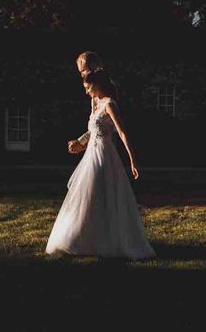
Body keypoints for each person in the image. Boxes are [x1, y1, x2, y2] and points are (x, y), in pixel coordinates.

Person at [45, 69, 155, 260]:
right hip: (90, 155)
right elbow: (92, 131)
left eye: (88, 87)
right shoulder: (95, 103)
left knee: (102, 194)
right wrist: (79, 143)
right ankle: (85, 238)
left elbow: (121, 133)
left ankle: (108, 240)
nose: (86, 91)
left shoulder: (110, 104)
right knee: (87, 196)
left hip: (105, 156)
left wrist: (132, 160)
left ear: (96, 85)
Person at [67, 51, 119, 154]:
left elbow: (106, 126)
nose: (82, 75)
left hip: (107, 146)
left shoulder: (106, 90)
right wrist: (82, 143)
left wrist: (82, 142)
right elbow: (96, 125)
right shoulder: (94, 91)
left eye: (83, 71)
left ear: (93, 66)